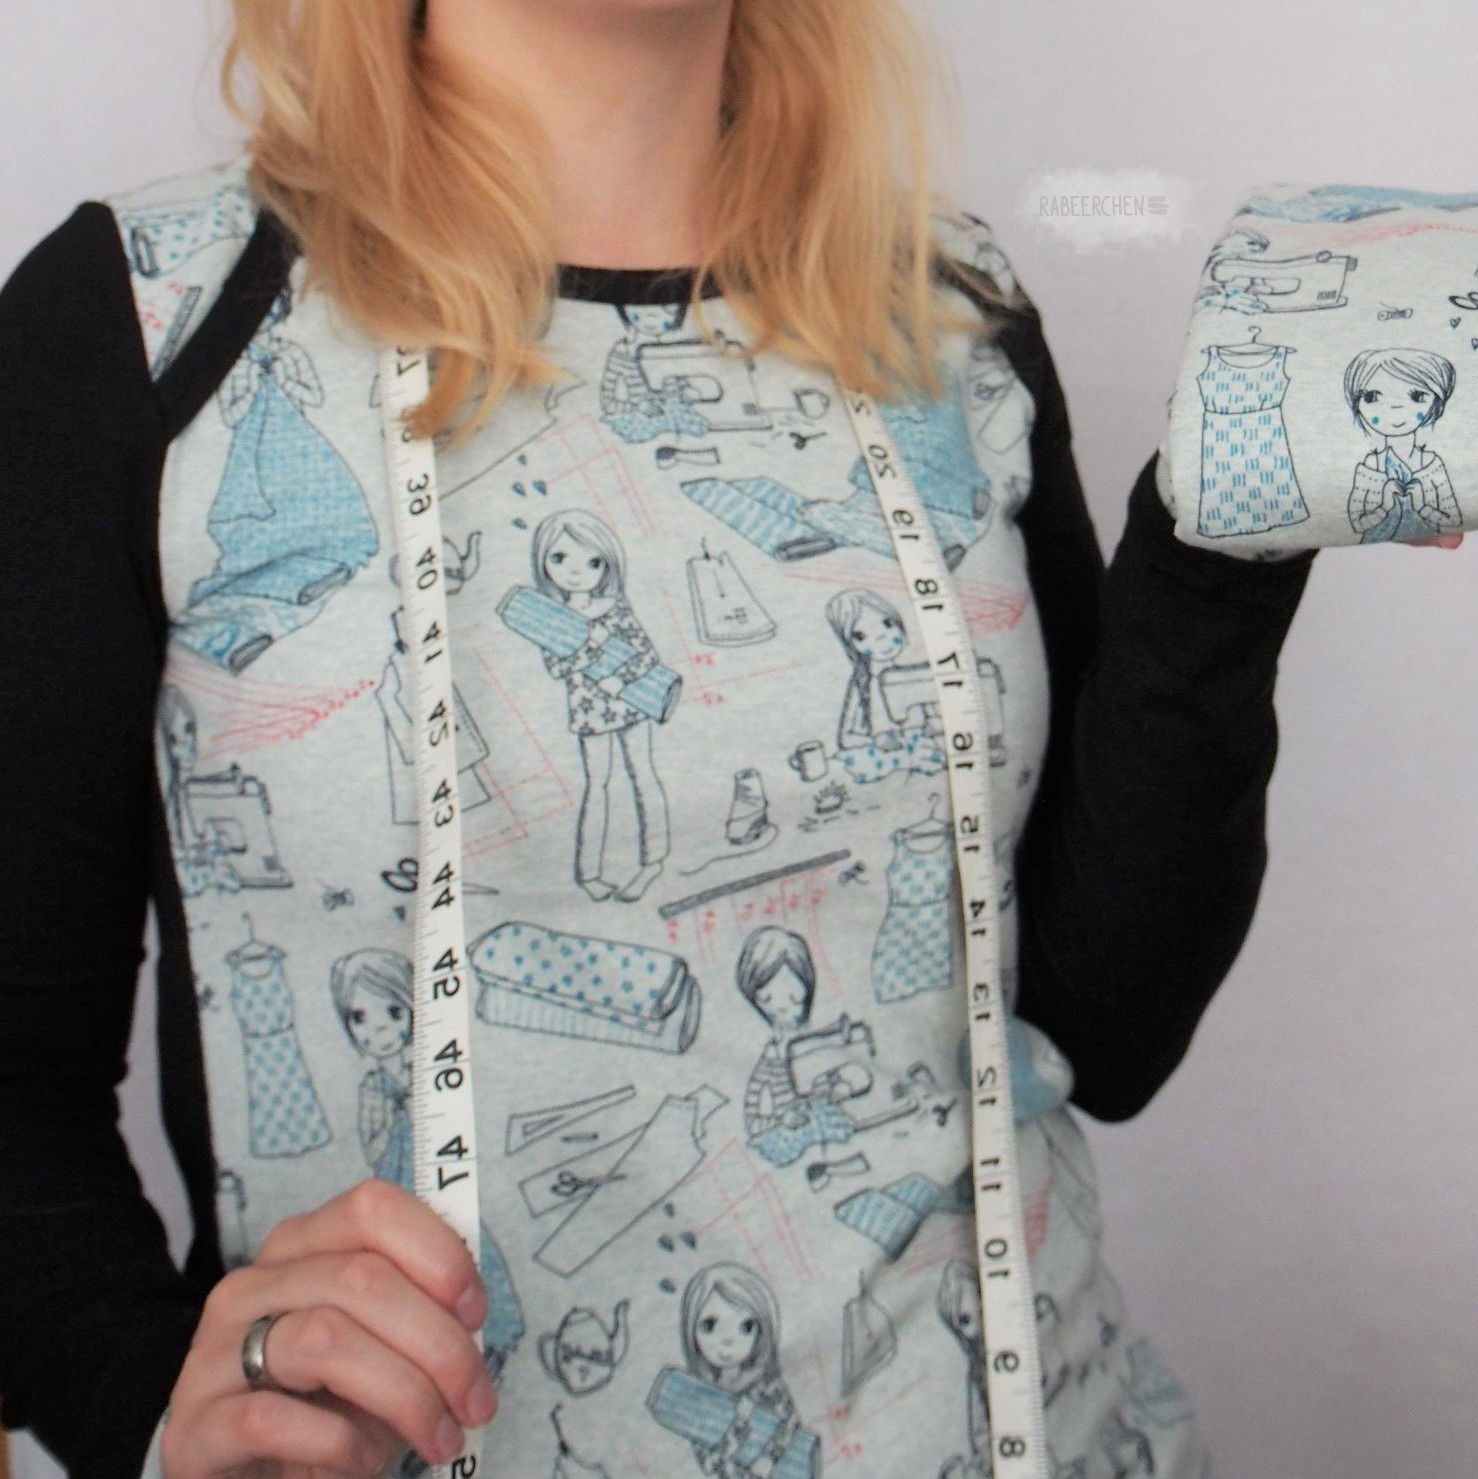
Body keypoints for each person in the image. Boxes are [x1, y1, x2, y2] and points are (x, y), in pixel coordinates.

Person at [0, 1, 1463, 1477]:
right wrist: (149, 1402)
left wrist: (1217, 560)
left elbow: (1102, 1028)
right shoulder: (151, 322)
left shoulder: (947, 312)